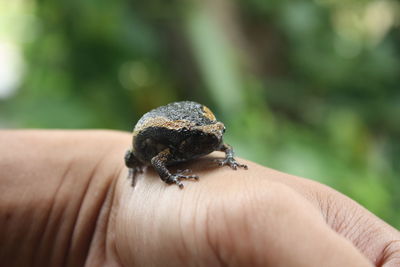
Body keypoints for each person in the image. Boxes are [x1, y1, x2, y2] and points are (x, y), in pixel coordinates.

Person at [0, 130, 398, 267]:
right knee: (131, 157)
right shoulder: (168, 148)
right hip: (146, 142)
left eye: (217, 138)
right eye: (207, 141)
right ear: (190, 143)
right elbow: (153, 156)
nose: (217, 144)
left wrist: (102, 206)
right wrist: (169, 180)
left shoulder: (208, 140)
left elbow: (224, 147)